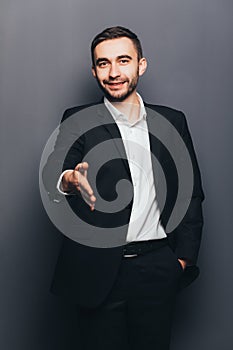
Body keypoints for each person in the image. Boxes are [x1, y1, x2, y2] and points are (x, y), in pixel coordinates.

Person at [42, 26, 204, 350]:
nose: (114, 72)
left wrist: (182, 260)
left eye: (123, 60)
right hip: (96, 272)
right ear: (94, 70)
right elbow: (55, 176)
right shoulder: (77, 119)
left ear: (141, 65)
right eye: (103, 63)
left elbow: (190, 194)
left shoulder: (173, 122)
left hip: (157, 268)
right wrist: (70, 180)